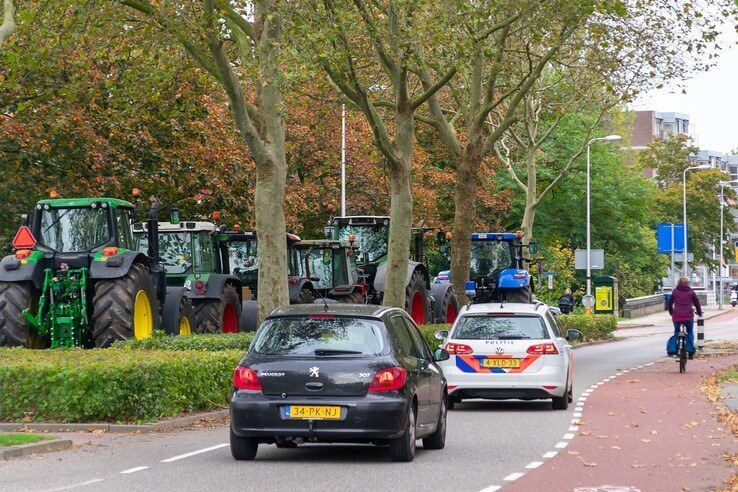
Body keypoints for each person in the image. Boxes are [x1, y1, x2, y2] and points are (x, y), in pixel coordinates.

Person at [667, 277, 702, 358]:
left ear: (678, 283)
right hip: (688, 316)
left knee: (676, 331)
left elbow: (669, 303)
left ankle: (674, 350)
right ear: (688, 283)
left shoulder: (675, 292)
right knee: (690, 331)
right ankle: (690, 352)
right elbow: (697, 303)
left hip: (677, 316)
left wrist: (671, 312)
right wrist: (699, 313)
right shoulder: (691, 292)